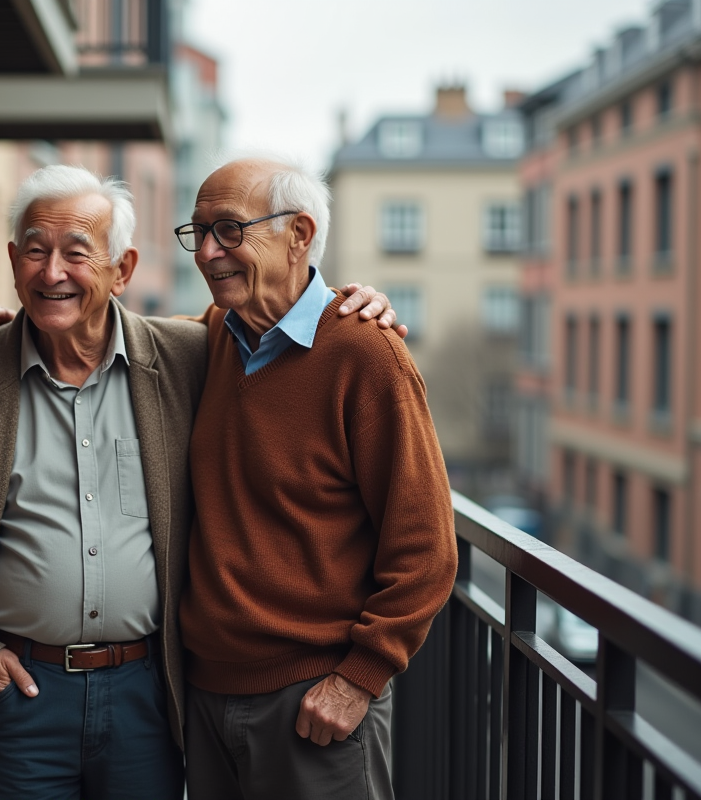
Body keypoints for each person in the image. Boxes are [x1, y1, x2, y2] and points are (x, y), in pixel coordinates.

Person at [0, 164, 402, 799]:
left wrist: (352, 305)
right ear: (13, 261)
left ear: (123, 270)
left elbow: (284, 324)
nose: (52, 272)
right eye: (35, 251)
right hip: (19, 693)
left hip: (150, 692)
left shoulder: (187, 357)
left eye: (77, 253)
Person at [176, 158, 456, 800]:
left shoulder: (366, 351)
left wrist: (360, 677)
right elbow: (108, 345)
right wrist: (8, 330)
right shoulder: (215, 336)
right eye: (198, 233)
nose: (208, 253)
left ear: (299, 234)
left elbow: (426, 550)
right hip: (207, 698)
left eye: (228, 230)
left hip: (315, 706)